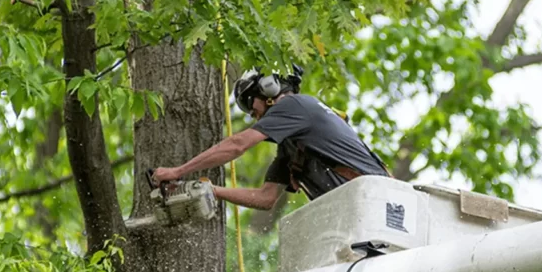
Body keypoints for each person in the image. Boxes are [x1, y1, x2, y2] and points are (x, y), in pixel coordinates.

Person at [151, 65, 392, 210]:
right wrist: (209, 189)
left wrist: (177, 171)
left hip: (379, 200)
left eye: (249, 102)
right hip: (357, 206)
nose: (252, 114)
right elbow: (265, 198)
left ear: (268, 88)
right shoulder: (292, 149)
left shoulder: (296, 105)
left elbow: (237, 144)